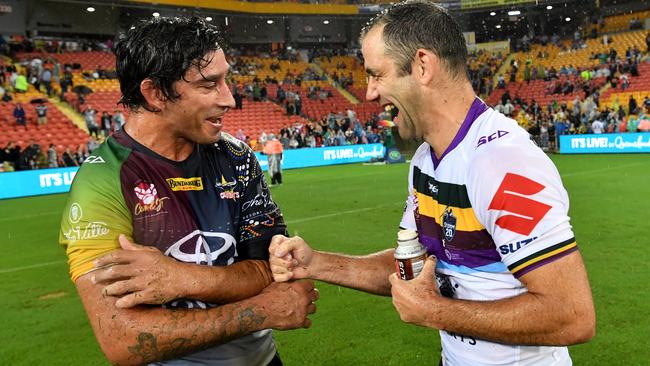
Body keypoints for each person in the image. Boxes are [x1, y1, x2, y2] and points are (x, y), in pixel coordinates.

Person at [269, 2, 595, 365]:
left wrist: (434, 312)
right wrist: (315, 264)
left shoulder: (501, 162)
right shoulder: (425, 160)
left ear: (422, 65)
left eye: (377, 74)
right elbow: (416, 265)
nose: (369, 93)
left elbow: (571, 314)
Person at [58, 17, 317, 366]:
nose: (230, 100)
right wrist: (260, 310)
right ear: (155, 93)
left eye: (226, 80)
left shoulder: (235, 156)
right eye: (209, 84)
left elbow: (272, 270)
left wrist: (179, 278)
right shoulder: (102, 181)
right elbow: (123, 339)